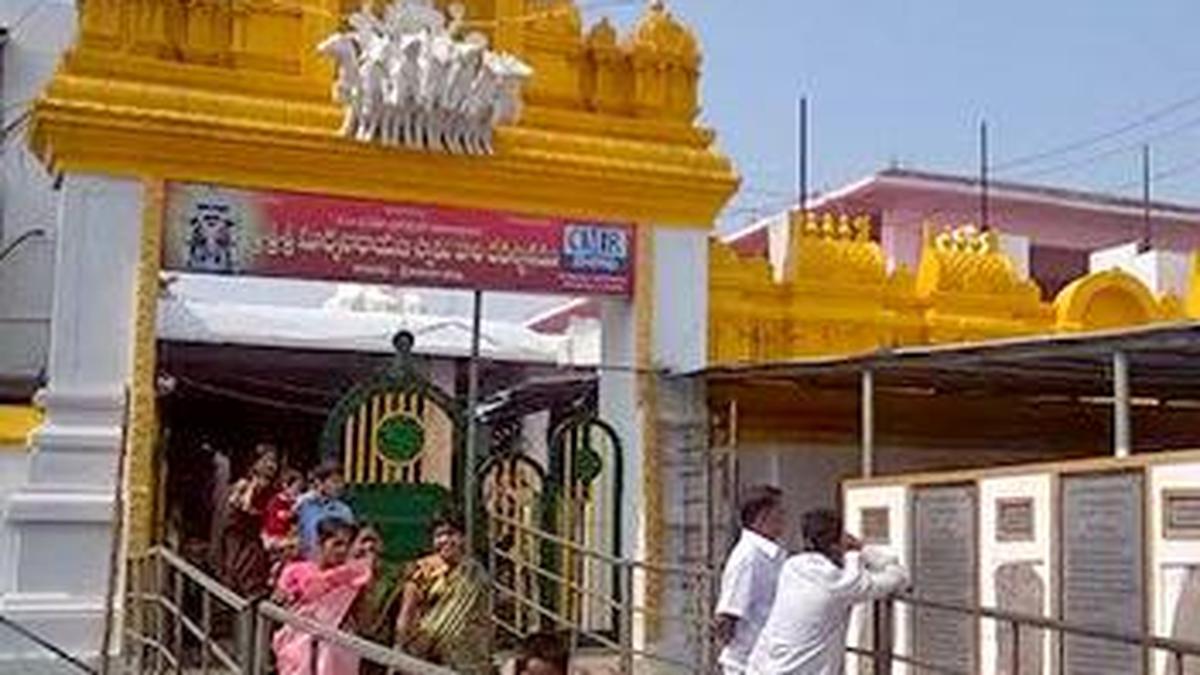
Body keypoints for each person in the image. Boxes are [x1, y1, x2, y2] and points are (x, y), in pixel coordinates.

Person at [746, 509, 909, 675]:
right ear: (837, 544)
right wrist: (861, 549)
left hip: (762, 668)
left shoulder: (791, 568)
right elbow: (900, 576)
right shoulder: (844, 583)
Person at [272, 517, 374, 675]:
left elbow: (363, 620)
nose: (342, 550)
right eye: (337, 544)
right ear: (320, 543)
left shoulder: (353, 580)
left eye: (347, 544)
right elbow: (278, 605)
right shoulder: (295, 571)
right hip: (298, 654)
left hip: (337, 656)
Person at [394, 510, 491, 674]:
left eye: (452, 534)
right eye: (439, 535)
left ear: (464, 538)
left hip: (465, 659)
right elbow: (407, 613)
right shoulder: (422, 570)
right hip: (424, 655)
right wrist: (401, 647)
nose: (445, 540)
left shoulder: (475, 573)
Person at [715, 485, 788, 675]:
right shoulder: (748, 557)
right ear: (762, 517)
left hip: (768, 658)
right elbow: (726, 617)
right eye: (778, 512)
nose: (783, 518)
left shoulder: (774, 553)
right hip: (747, 662)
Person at [219, 444, 279, 596]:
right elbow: (238, 509)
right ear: (255, 463)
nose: (271, 465)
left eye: (273, 461)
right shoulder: (244, 485)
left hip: (259, 541)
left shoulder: (273, 490)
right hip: (241, 537)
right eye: (266, 460)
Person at [295, 462, 355, 560]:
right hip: (308, 564)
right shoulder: (305, 506)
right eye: (334, 482)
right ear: (320, 483)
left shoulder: (344, 511)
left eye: (341, 482)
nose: (339, 486)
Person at [264, 469, 305, 552]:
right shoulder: (276, 501)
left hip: (288, 535)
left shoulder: (292, 500)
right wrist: (295, 508)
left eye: (300, 488)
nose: (298, 491)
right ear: (285, 485)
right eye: (296, 487)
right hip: (276, 537)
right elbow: (282, 515)